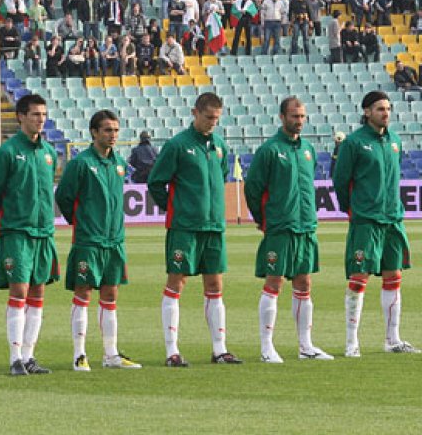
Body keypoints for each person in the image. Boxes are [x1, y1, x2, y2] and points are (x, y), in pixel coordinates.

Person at [147, 93, 242, 367]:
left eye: (216, 118)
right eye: (208, 117)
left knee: (215, 285)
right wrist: (176, 210)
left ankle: (219, 349)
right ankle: (171, 350)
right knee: (177, 283)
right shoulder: (177, 145)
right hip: (185, 228)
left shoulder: (220, 146)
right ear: (195, 112)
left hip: (213, 227)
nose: (213, 123)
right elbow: (156, 182)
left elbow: (221, 177)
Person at [244, 97, 334, 364]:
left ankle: (305, 346)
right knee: (274, 282)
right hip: (280, 227)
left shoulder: (307, 149)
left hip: (305, 226)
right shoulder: (269, 150)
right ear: (282, 117)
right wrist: (264, 220)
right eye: (294, 116)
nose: (299, 121)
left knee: (304, 283)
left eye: (303, 116)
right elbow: (252, 189)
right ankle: (266, 347)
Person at [333, 91, 420, 357]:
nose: (386, 113)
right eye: (380, 108)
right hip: (366, 220)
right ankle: (351, 342)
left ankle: (392, 339)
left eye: (388, 108)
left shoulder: (394, 141)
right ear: (367, 112)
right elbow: (340, 182)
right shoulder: (354, 143)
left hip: (393, 219)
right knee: (360, 278)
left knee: (394, 277)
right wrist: (355, 210)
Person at [56, 110, 142, 372]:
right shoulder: (81, 164)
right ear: (94, 132)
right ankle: (79, 354)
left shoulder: (119, 163)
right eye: (107, 130)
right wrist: (82, 222)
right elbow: (64, 197)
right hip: (89, 241)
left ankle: (110, 354)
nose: (113, 135)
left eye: (116, 130)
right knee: (83, 293)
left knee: (110, 294)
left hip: (114, 241)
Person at [0, 94, 58, 376]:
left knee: (38, 291)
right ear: (21, 117)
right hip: (15, 231)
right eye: (35, 114)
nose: (40, 119)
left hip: (43, 233)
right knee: (19, 290)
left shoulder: (49, 152)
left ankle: (29, 356)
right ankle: (15, 357)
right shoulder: (6, 153)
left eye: (43, 114)